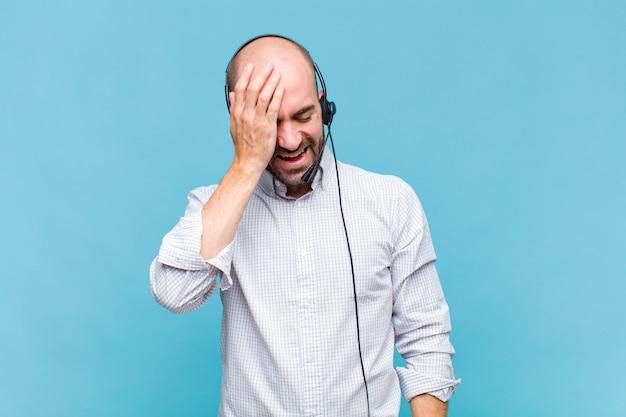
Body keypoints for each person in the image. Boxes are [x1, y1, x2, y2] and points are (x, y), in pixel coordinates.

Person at [150, 35, 459, 417]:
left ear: (324, 105)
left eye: (303, 116)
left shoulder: (391, 201)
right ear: (241, 120)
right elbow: (175, 294)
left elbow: (427, 341)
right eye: (271, 122)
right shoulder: (213, 208)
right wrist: (246, 163)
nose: (291, 139)